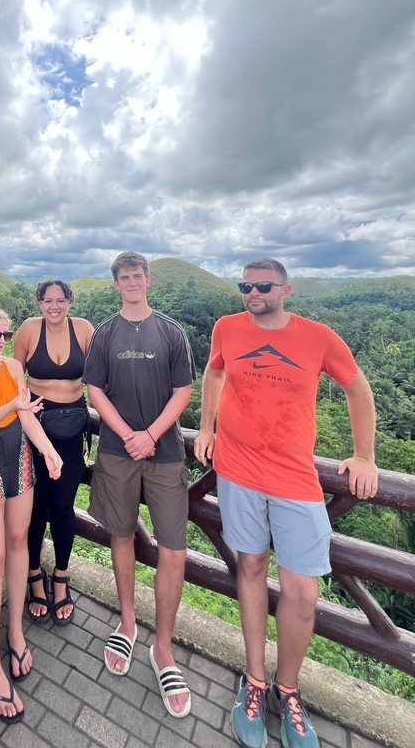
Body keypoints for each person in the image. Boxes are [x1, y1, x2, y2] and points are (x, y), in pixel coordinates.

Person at [194, 257, 378, 748]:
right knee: (250, 566)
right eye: (244, 286)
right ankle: (254, 681)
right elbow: (213, 374)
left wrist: (364, 456)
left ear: (285, 290)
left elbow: (357, 387)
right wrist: (207, 427)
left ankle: (287, 688)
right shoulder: (226, 328)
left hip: (296, 478)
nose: (251, 293)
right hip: (237, 471)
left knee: (302, 590)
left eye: (262, 286)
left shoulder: (317, 336)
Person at [84, 251, 196, 718]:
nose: (131, 282)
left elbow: (183, 391)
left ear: (148, 281)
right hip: (115, 449)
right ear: (116, 285)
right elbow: (95, 390)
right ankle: (128, 624)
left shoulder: (170, 332)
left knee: (173, 548)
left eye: (137, 276)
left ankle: (163, 649)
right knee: (121, 535)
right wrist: (129, 435)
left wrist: (149, 434)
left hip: (165, 452)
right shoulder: (105, 333)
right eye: (123, 277)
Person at [0, 309, 63, 725]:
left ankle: (15, 631)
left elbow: (25, 414)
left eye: (6, 334)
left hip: (17, 453)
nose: (1, 340)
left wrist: (46, 448)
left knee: (20, 542)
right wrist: (10, 401)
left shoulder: (14, 366)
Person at [14, 280, 95, 626]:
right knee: (35, 507)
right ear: (39, 302)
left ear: (70, 302)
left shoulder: (85, 330)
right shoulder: (29, 330)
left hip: (74, 425)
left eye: (61, 300)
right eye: (47, 300)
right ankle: (34, 573)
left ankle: (60, 576)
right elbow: (16, 379)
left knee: (63, 506)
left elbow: (102, 376)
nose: (54, 306)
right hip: (34, 427)